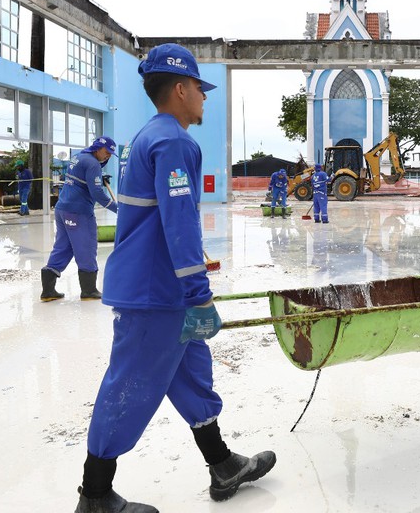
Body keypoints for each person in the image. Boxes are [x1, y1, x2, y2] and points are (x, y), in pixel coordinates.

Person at [74, 44, 275, 512]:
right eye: (200, 90)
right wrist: (198, 293)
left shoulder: (146, 137)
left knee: (190, 376)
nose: (204, 98)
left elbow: (159, 216)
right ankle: (96, 496)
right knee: (127, 386)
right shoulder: (175, 142)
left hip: (154, 286)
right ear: (180, 89)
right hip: (157, 293)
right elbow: (179, 221)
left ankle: (223, 465)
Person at [39, 137, 118, 301]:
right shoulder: (93, 164)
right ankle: (89, 290)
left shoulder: (79, 156)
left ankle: (48, 291)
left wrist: (99, 176)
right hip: (79, 212)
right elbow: (98, 194)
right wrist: (119, 209)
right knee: (87, 246)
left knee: (63, 247)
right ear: (98, 148)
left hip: (62, 209)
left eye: (111, 154)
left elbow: (81, 177)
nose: (108, 156)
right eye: (107, 152)